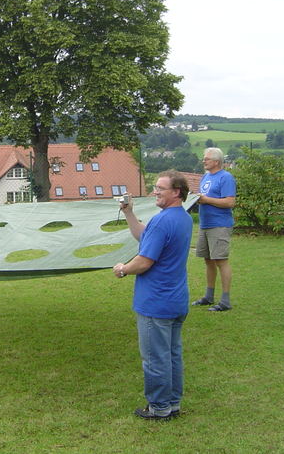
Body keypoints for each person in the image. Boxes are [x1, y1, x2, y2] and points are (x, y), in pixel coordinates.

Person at [113, 171, 193, 420]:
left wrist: (123, 269)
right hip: (176, 300)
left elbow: (144, 261)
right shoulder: (183, 218)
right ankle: (173, 403)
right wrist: (129, 212)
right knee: (172, 355)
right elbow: (143, 234)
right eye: (155, 187)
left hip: (156, 303)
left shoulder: (162, 221)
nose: (155, 192)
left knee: (155, 358)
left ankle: (159, 408)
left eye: (160, 188)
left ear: (176, 192)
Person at [192, 147, 236, 312]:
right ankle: (209, 296)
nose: (203, 161)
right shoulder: (205, 177)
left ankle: (225, 301)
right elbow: (204, 198)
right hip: (205, 224)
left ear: (217, 161)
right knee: (208, 260)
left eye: (207, 159)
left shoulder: (226, 177)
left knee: (221, 261)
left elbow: (230, 202)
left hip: (219, 224)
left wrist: (206, 200)